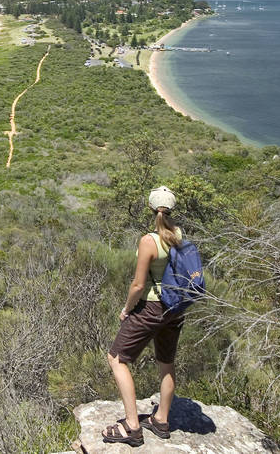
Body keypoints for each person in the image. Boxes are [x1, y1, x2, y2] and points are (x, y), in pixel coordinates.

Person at [101, 186, 184, 447]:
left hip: (151, 307)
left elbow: (138, 285)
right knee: (166, 362)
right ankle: (161, 420)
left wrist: (126, 309)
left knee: (116, 358)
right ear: (171, 209)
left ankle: (132, 427)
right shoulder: (178, 234)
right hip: (175, 308)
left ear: (150, 208)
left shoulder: (149, 240)